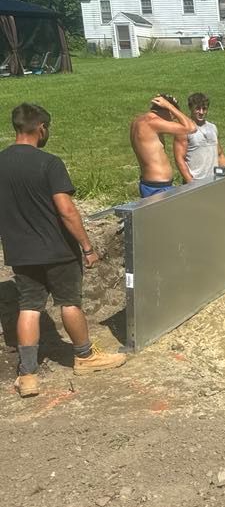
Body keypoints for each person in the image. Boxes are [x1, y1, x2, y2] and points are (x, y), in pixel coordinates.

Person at [0, 104, 127, 398]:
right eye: (48, 128)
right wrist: (86, 246)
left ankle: (28, 374)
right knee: (69, 302)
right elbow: (67, 210)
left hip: (21, 252)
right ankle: (84, 357)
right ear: (41, 127)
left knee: (29, 307)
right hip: (58, 250)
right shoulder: (49, 163)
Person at [130, 94, 196, 198]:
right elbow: (191, 128)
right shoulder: (152, 122)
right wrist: (170, 106)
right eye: (172, 116)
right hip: (158, 187)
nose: (172, 120)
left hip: (149, 183)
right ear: (167, 110)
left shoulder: (137, 121)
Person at [174, 92, 225, 183]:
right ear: (191, 108)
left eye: (204, 109)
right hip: (196, 181)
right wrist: (190, 182)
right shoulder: (184, 130)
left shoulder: (212, 127)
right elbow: (179, 159)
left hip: (214, 179)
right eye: (197, 109)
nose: (201, 112)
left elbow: (220, 154)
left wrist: (224, 176)